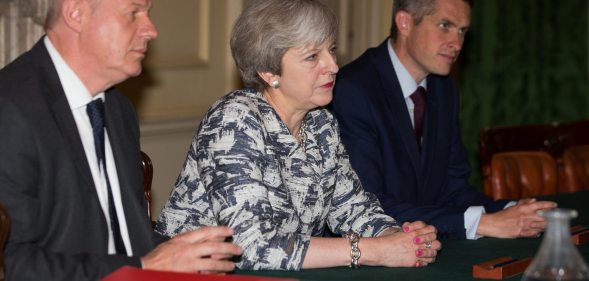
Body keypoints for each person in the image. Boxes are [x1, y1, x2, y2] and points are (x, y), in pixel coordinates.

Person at [156, 0, 440, 271]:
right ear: (269, 72)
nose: (333, 65)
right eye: (312, 56)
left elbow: (353, 209)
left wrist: (399, 238)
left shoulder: (320, 124)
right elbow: (251, 246)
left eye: (331, 50)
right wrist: (374, 251)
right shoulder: (233, 121)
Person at [0, 0, 242, 280]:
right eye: (133, 13)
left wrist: (185, 255)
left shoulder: (116, 109)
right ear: (76, 13)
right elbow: (10, 264)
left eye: (148, 14)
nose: (151, 30)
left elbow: (124, 242)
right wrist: (144, 267)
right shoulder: (11, 108)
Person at [331, 0, 557, 240]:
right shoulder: (354, 89)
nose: (457, 43)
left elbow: (452, 189)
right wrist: (481, 223)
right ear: (405, 22)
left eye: (462, 31)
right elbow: (366, 206)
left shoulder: (444, 88)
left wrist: (510, 211)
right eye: (444, 25)